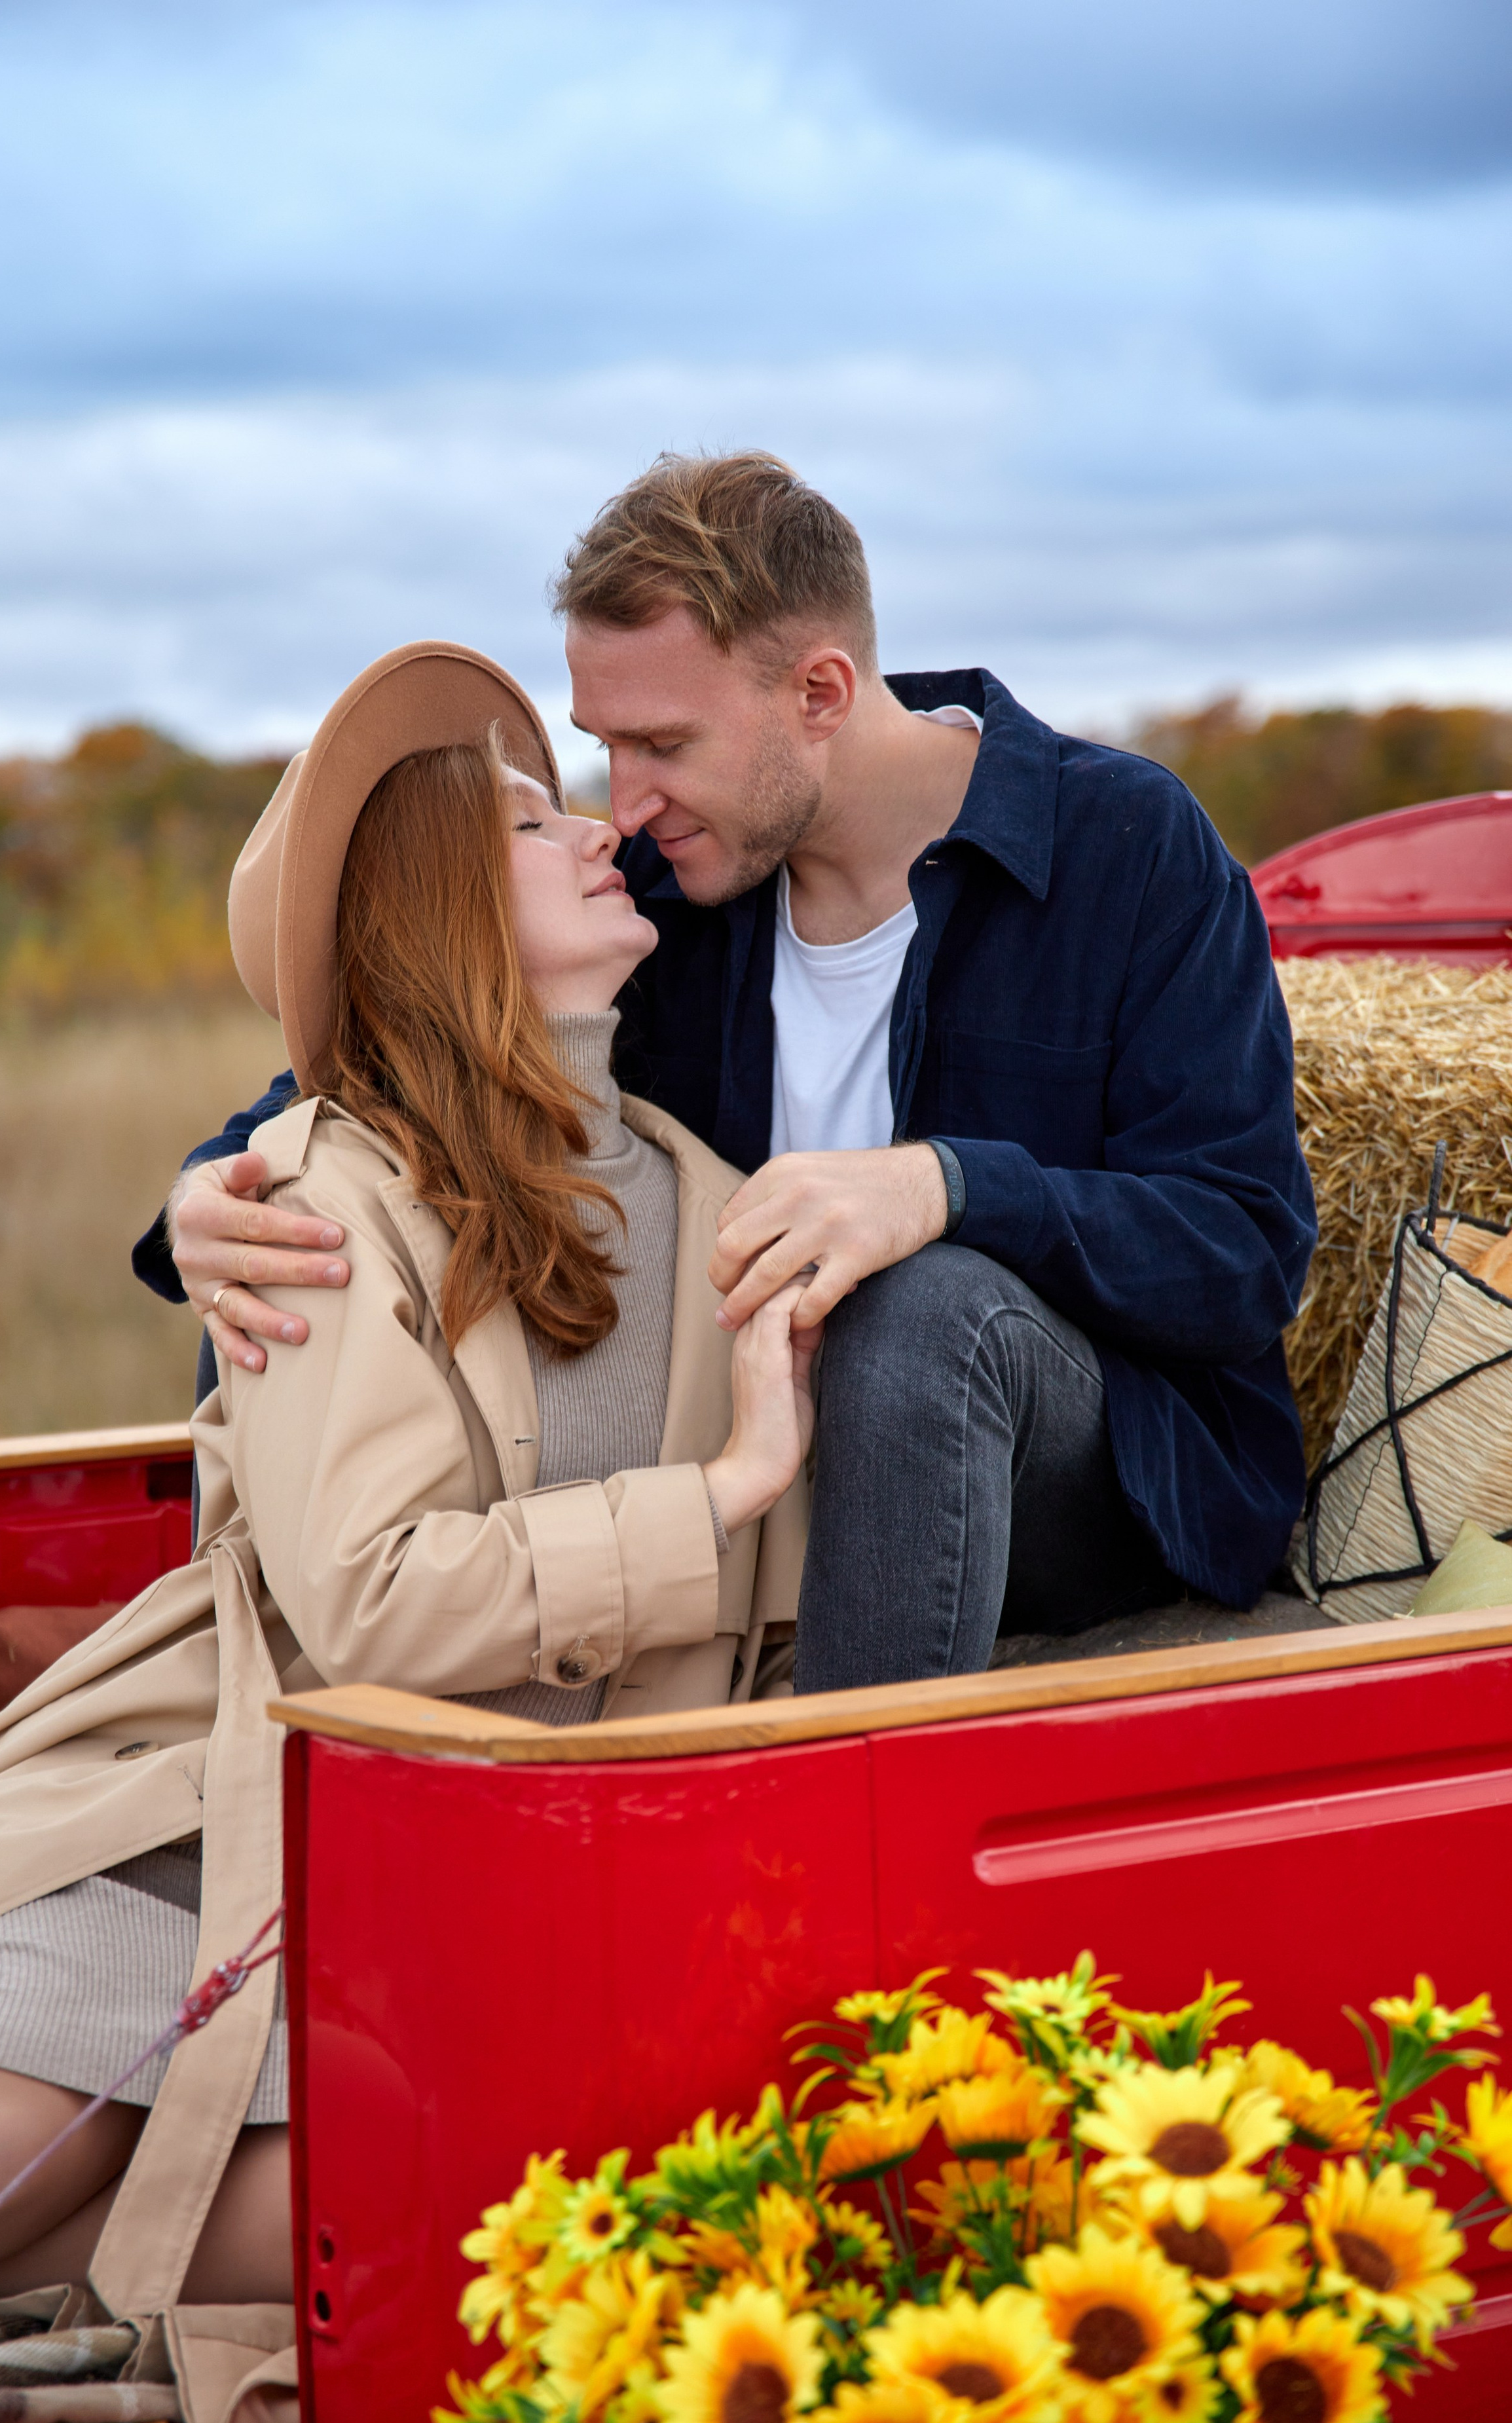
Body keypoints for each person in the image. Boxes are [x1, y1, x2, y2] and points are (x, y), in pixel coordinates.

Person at [0, 643, 809, 2423]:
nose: (601, 827)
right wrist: (731, 1493)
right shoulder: (314, 1199)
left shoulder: (717, 1194)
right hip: (219, 1844)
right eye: (533, 823)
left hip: (460, 1903)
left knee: (478, 2210)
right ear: (443, 903)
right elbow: (367, 1608)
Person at [141, 453, 1318, 1691]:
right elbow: (401, 1057)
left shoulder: (1129, 848)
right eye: (604, 746)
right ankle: (274, 1745)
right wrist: (214, 1194)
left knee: (914, 1312)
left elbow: (1243, 1253)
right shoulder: (667, 895)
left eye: (661, 744)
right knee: (264, 1289)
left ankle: (836, 1836)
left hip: (1076, 1485)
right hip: (762, 1481)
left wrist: (948, 1189)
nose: (625, 804)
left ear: (819, 691)